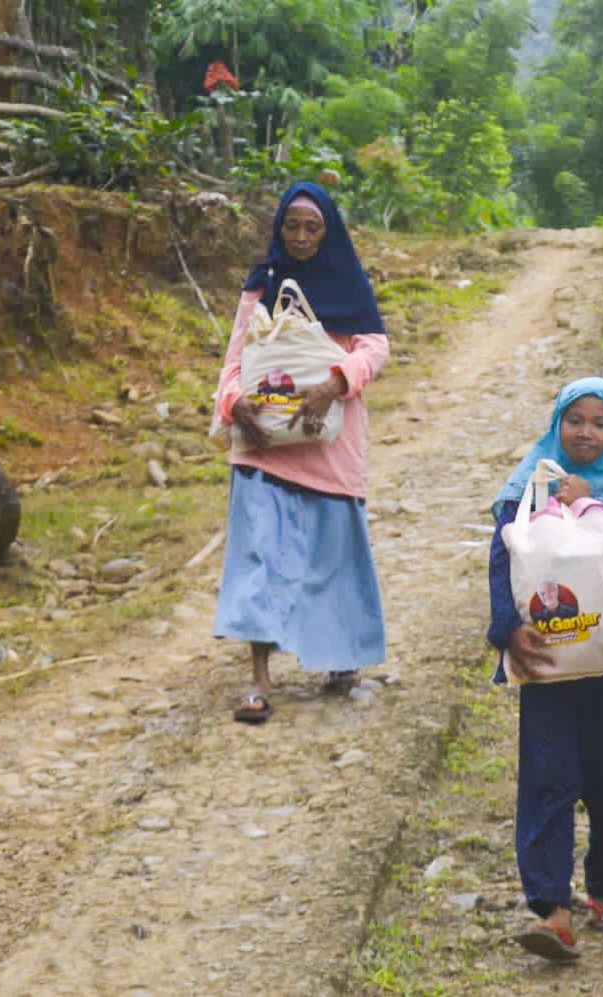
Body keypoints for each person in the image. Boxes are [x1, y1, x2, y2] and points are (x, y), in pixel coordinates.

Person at [486, 377, 603, 963]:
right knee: (547, 778)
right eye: (574, 420)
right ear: (556, 423)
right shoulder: (530, 483)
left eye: (600, 423)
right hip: (547, 665)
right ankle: (552, 909)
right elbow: (502, 558)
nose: (585, 433)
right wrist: (507, 626)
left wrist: (590, 508)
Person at [212, 182, 390, 724]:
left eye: (313, 227)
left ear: (329, 231)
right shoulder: (261, 285)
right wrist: (233, 403)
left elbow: (374, 347)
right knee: (258, 558)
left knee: (332, 558)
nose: (302, 236)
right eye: (293, 226)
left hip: (327, 441)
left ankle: (341, 658)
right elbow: (236, 356)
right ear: (279, 229)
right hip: (264, 443)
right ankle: (259, 680)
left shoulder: (349, 285)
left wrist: (335, 383)